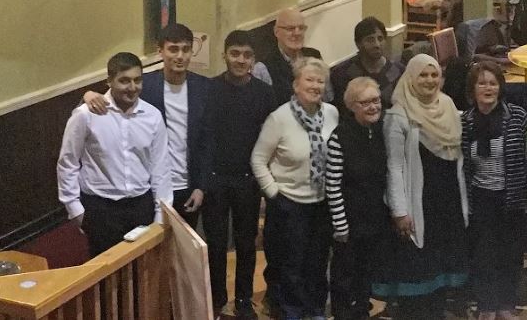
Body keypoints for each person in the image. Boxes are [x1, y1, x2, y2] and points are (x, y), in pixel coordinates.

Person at [81, 23, 211, 229]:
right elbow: (108, 100)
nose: (180, 56)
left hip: (188, 186)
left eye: (186, 49)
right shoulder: (144, 85)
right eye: (173, 49)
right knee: (151, 252)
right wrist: (87, 96)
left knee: (184, 253)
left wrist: (201, 187)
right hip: (149, 188)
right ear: (161, 51)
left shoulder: (204, 87)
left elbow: (207, 142)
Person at [376, 55, 470, 318]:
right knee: (417, 273)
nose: (429, 80)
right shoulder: (399, 114)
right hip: (418, 204)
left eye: (434, 75)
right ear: (411, 78)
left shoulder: (449, 105)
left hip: (447, 199)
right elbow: (394, 166)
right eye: (423, 75)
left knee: (441, 268)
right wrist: (400, 211)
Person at [57, 52, 171, 259]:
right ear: (109, 81)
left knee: (141, 274)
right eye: (124, 81)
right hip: (101, 210)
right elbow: (67, 163)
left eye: (137, 80)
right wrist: (76, 210)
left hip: (140, 207)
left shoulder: (153, 116)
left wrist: (160, 215)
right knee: (105, 276)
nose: (132, 87)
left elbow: (161, 168)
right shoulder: (86, 115)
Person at [251, 56, 338, 320]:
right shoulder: (279, 118)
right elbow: (258, 159)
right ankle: (291, 312)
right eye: (309, 80)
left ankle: (315, 310)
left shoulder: (331, 114)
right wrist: (274, 193)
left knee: (318, 262)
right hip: (289, 204)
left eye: (320, 80)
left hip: (322, 202)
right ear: (296, 85)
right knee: (291, 265)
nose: (315, 85)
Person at [204, 31, 277, 318]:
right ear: (224, 56)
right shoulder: (210, 90)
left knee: (247, 242)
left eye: (247, 55)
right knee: (216, 242)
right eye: (235, 54)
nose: (240, 60)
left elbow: (272, 138)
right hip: (216, 178)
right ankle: (217, 296)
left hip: (249, 179)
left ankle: (244, 299)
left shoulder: (264, 93)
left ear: (254, 60)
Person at [464, 60, 527, 320]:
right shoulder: (465, 121)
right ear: (473, 88)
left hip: (511, 197)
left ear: (501, 87)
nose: (487, 88)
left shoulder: (517, 117)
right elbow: (463, 164)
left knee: (511, 255)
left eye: (493, 83)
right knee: (483, 256)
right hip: (480, 198)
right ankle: (487, 306)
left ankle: (506, 304)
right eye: (482, 83)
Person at [326, 77, 389, 320]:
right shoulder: (339, 137)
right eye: (365, 103)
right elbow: (332, 185)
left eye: (376, 101)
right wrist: (341, 225)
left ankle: (361, 310)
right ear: (352, 106)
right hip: (348, 223)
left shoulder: (381, 131)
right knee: (344, 277)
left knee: (366, 273)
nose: (373, 107)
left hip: (374, 219)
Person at [330, 17, 404, 116]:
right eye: (370, 40)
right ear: (358, 44)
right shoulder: (341, 74)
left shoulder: (399, 72)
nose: (377, 44)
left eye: (380, 39)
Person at [255, 7, 325, 105]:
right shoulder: (263, 68)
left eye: (301, 28)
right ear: (276, 32)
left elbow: (327, 97)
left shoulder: (314, 56)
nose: (297, 33)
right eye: (290, 28)